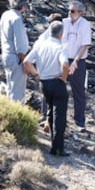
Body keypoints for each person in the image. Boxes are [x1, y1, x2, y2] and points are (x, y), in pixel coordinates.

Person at [23, 21, 70, 157]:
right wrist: (64, 77)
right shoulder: (60, 47)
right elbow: (65, 64)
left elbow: (26, 61)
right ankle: (58, 149)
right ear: (61, 34)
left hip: (44, 83)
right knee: (59, 116)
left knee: (50, 112)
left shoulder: (40, 45)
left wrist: (36, 74)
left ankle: (52, 146)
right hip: (57, 82)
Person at [62, 0, 92, 131]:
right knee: (54, 86)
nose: (70, 13)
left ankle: (79, 121)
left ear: (80, 12)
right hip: (63, 59)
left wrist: (75, 61)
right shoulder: (64, 22)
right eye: (69, 10)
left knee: (78, 92)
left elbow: (85, 45)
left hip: (78, 62)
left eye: (73, 11)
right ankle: (47, 115)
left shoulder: (85, 25)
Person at [0, 0, 30, 104]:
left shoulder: (6, 14)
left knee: (10, 87)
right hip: (16, 58)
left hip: (6, 54)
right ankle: (15, 117)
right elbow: (20, 44)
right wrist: (24, 61)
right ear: (23, 5)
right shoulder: (17, 19)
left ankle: (9, 112)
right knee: (17, 91)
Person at [34, 13, 63, 124]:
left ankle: (45, 116)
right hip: (53, 68)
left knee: (46, 93)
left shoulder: (44, 37)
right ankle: (49, 117)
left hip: (45, 67)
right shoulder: (50, 37)